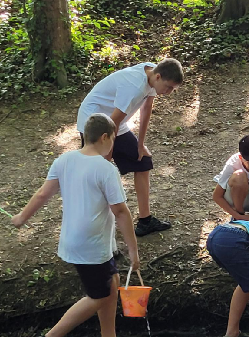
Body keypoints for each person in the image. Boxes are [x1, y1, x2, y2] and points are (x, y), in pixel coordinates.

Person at [12, 113, 141, 337]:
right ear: (105, 137)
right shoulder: (106, 168)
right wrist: (134, 251)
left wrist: (22, 217)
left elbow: (42, 194)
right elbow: (121, 211)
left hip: (79, 241)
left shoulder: (65, 160)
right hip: (91, 246)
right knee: (98, 296)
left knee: (111, 286)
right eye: (114, 138)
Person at [76, 58, 184, 236]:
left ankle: (145, 221)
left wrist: (141, 144)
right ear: (158, 77)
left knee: (143, 161)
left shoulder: (151, 74)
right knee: (98, 174)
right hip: (94, 121)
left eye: (173, 89)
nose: (170, 92)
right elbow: (113, 122)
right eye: (169, 87)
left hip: (114, 121)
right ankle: (91, 227)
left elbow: (146, 108)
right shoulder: (134, 86)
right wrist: (107, 156)